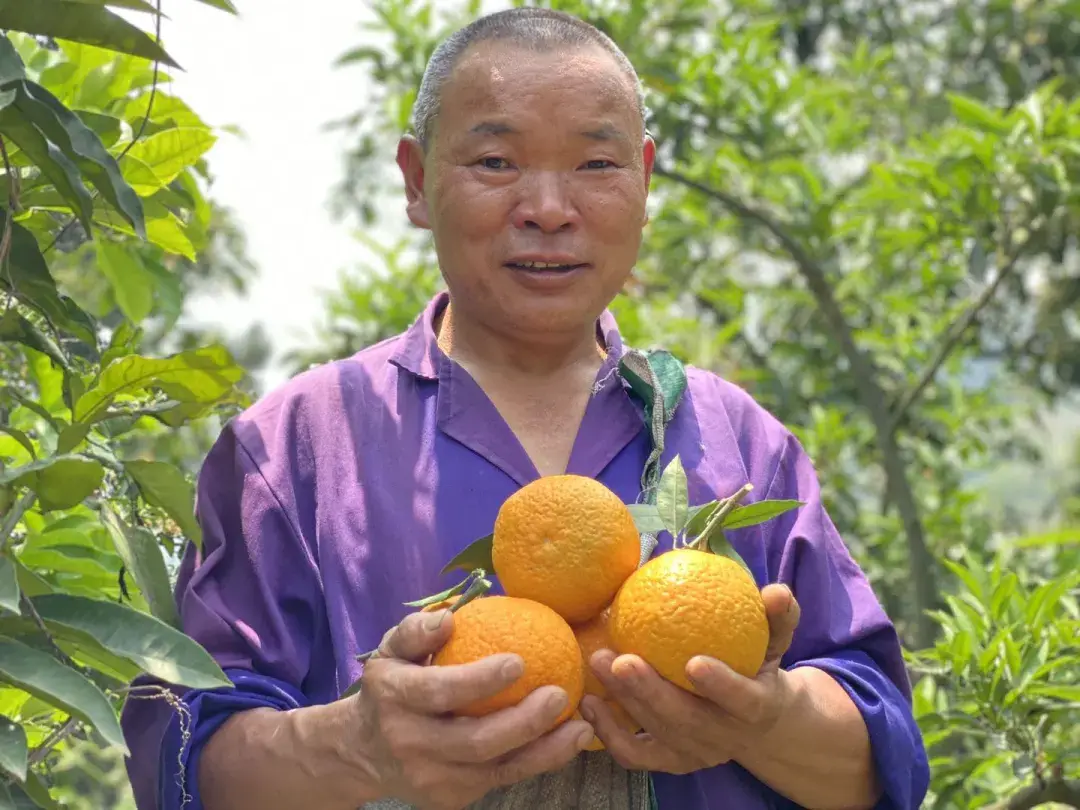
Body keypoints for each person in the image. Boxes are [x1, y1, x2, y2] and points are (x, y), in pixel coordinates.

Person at [120, 7, 930, 810]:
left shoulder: (735, 439)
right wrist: (355, 748)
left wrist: (766, 721)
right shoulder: (297, 448)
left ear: (643, 178)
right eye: (498, 161)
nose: (548, 207)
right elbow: (182, 757)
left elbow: (879, 757)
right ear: (416, 180)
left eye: (596, 164)